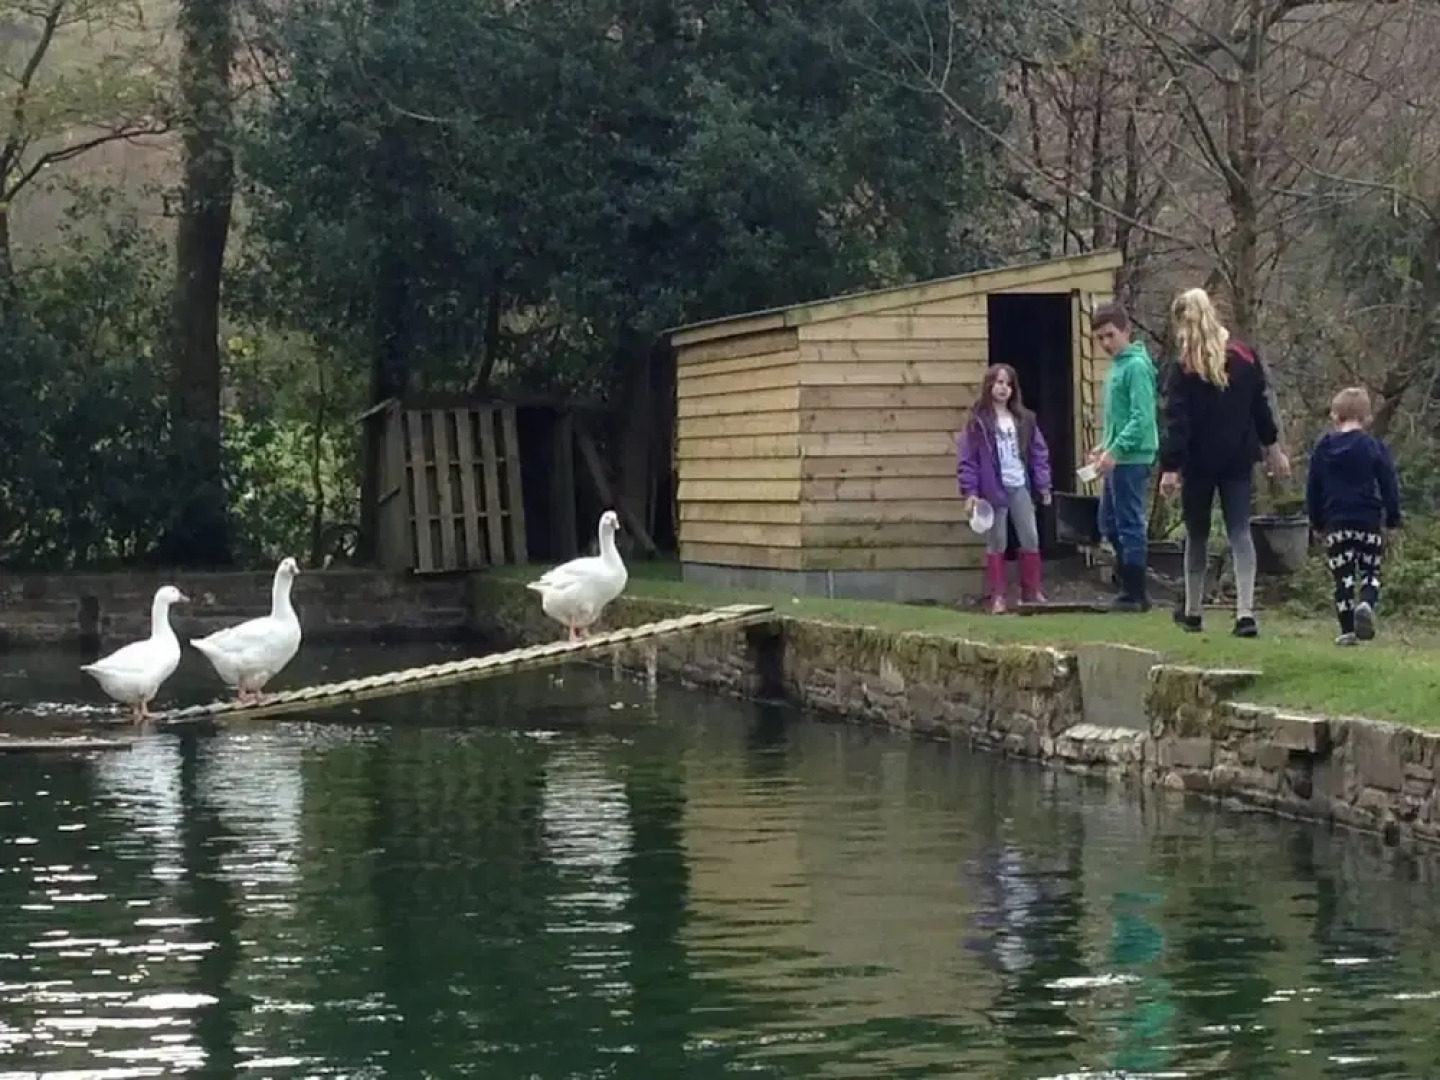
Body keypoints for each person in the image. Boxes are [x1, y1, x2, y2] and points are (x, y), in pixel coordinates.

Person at [1158, 287, 1290, 637]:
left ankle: (1193, 610)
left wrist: (1171, 467)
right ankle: (1245, 612)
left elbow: (1177, 420)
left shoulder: (1185, 368)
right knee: (1239, 531)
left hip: (1199, 462)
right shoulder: (1245, 357)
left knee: (1197, 535)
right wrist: (1273, 448)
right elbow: (1260, 408)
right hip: (1237, 457)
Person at [1305, 387, 1401, 645]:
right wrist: (1392, 518)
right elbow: (1389, 484)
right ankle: (1367, 604)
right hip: (1369, 520)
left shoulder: (1323, 448)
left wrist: (1316, 521)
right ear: (1367, 419)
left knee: (1343, 578)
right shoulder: (1374, 447)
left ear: (1335, 416)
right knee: (1371, 570)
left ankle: (1348, 630)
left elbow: (1313, 487)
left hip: (1336, 523)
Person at [957, 363, 1053, 613]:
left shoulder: (1025, 419)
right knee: (997, 541)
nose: (1003, 388)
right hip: (993, 490)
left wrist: (1043, 484)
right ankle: (997, 596)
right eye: (999, 382)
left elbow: (1038, 453)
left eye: (1008, 384)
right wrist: (971, 492)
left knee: (1030, 536)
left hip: (1019, 484)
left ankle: (1031, 591)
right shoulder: (977, 421)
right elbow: (968, 460)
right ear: (989, 385)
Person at [1088, 302, 1158, 612]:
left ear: (1126, 331)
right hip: (1116, 456)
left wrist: (1116, 450)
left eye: (1110, 336)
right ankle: (1130, 583)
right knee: (1109, 522)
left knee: (1129, 523)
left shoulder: (1136, 367)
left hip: (1133, 457)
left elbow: (1141, 416)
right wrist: (1104, 446)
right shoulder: (1116, 366)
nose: (1105, 343)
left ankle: (1135, 593)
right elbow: (1118, 418)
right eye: (1100, 338)